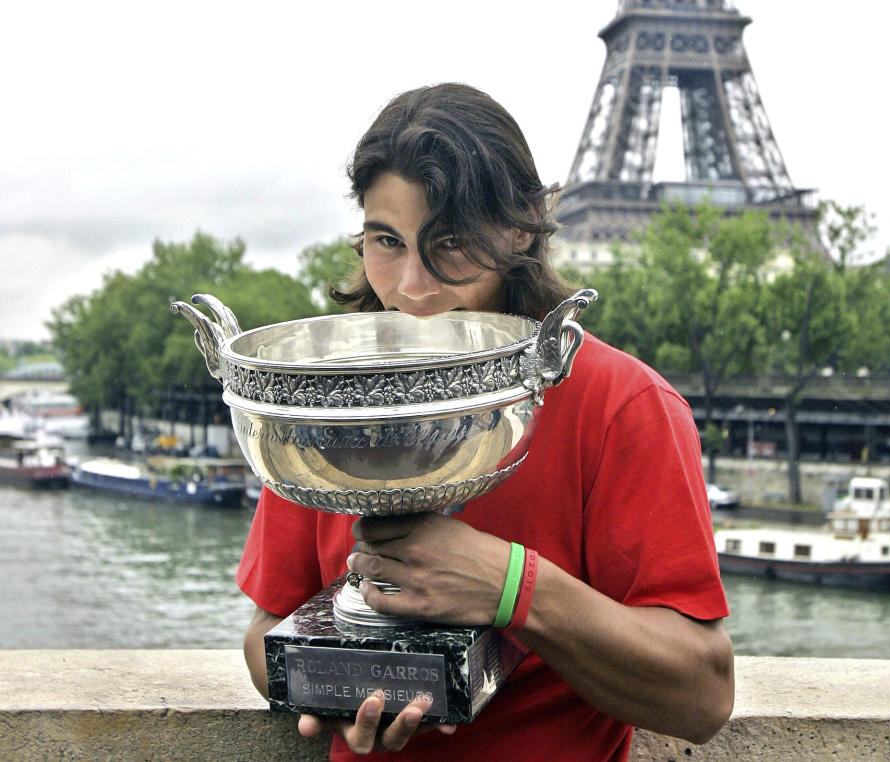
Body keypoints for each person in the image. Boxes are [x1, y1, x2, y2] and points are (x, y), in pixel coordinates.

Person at [237, 83, 734, 761]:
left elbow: (702, 696)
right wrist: (340, 689)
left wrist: (511, 586)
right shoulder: (327, 395)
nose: (412, 286)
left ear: (522, 228)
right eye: (386, 241)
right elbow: (266, 634)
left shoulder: (625, 406)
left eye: (450, 244)